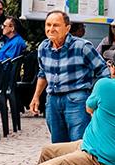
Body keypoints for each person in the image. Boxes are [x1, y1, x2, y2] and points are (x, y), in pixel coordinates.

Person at [33, 10, 104, 143]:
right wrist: (36, 96)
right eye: (48, 25)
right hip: (52, 100)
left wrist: (95, 96)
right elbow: (43, 73)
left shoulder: (82, 46)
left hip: (76, 100)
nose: (51, 29)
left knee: (78, 143)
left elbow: (103, 70)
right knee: (58, 144)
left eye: (56, 25)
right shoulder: (43, 47)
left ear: (67, 28)